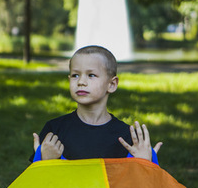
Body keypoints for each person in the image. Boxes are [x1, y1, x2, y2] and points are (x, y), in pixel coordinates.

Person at [31, 45, 162, 162]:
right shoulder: (54, 130)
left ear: (111, 84)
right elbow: (36, 184)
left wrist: (145, 162)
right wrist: (44, 160)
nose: (81, 81)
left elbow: (138, 186)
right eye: (75, 75)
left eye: (91, 75)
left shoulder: (127, 137)